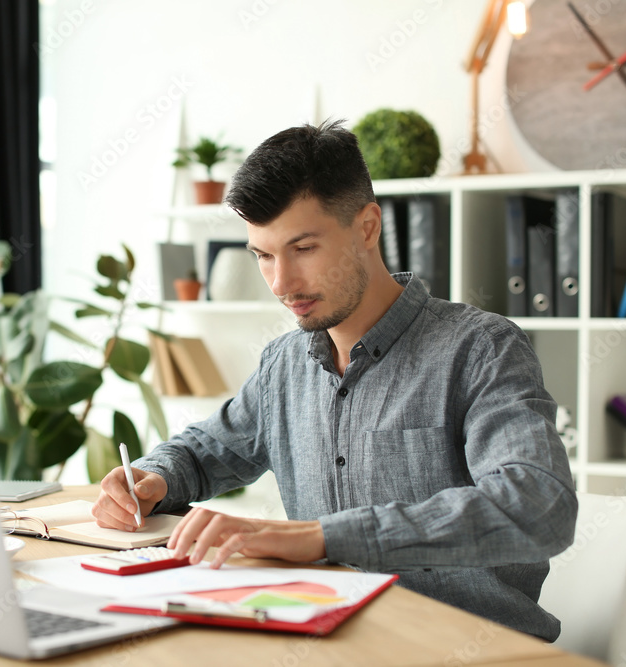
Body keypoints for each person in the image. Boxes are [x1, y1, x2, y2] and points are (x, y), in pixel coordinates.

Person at [92, 119, 577, 641]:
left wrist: (320, 537)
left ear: (367, 227)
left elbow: (538, 508)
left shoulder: (480, 348)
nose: (281, 283)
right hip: (325, 643)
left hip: (464, 651)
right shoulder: (284, 363)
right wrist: (152, 478)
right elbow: (204, 450)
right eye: (263, 256)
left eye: (303, 248)